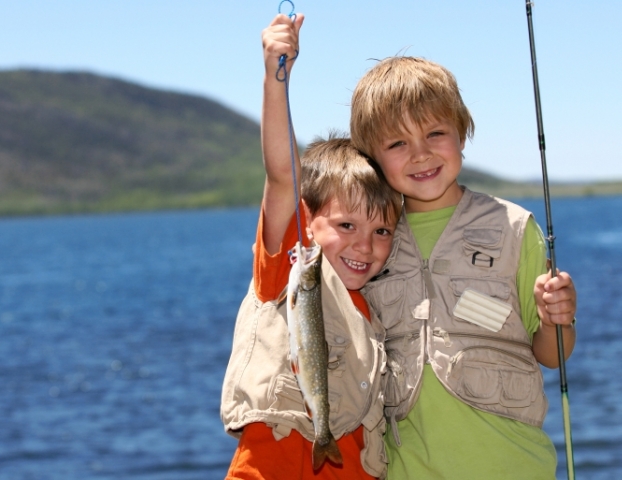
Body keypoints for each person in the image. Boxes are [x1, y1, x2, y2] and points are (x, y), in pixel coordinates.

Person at [349, 55, 578, 479]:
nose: (420, 154)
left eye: (436, 133)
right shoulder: (369, 243)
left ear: (462, 134)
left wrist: (557, 320)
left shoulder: (514, 228)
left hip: (514, 467)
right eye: (397, 143)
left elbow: (552, 353)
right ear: (372, 158)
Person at [220, 13, 400, 480]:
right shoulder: (286, 271)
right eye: (345, 224)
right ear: (307, 223)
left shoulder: (375, 310)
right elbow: (282, 174)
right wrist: (275, 76)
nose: (365, 244)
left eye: (382, 231)